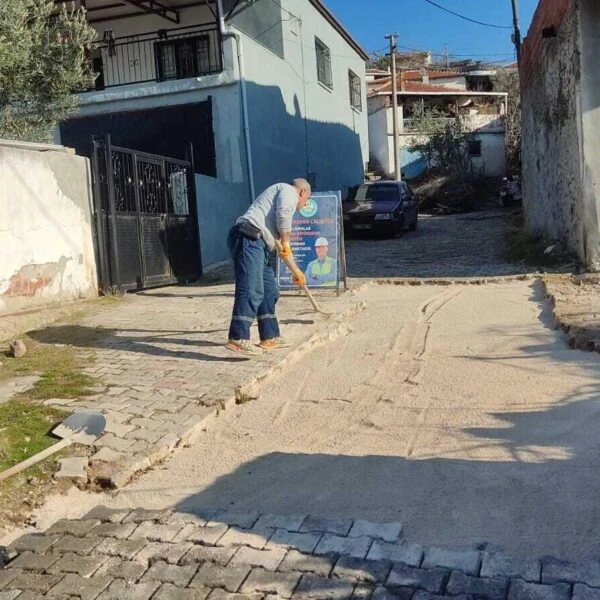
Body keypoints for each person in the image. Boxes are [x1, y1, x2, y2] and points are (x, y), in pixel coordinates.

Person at [225, 179, 311, 355]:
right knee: (251, 288)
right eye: (305, 201)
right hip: (248, 237)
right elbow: (283, 215)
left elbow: (283, 250)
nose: (301, 206)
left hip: (260, 246)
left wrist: (296, 271)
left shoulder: (275, 213)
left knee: (269, 290)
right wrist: (286, 240)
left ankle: (269, 336)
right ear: (302, 192)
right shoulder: (288, 191)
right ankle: (238, 338)